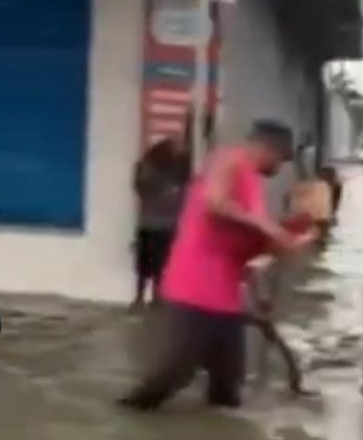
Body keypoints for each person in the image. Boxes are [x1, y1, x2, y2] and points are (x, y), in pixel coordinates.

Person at [119, 119, 317, 411]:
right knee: (170, 376)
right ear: (270, 148)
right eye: (283, 159)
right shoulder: (228, 160)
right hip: (193, 292)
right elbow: (215, 202)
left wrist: (286, 241)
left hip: (225, 301)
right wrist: (269, 228)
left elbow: (243, 246)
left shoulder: (254, 185)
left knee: (227, 390)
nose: (281, 168)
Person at [130, 114, 210, 309]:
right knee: (156, 265)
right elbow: (142, 188)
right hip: (160, 224)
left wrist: (195, 124)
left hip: (152, 224)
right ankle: (151, 298)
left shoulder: (164, 169)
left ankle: (146, 298)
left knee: (149, 265)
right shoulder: (162, 171)